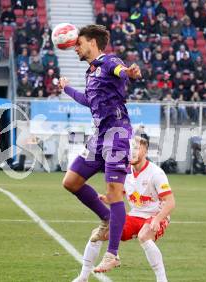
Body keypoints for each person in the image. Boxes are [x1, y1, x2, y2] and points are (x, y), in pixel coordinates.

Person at [59, 24, 142, 273]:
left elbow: (121, 71)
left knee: (114, 192)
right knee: (71, 181)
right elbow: (89, 100)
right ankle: (106, 218)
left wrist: (129, 71)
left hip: (117, 134)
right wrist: (66, 88)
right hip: (99, 137)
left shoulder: (108, 62)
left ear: (93, 43)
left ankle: (112, 254)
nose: (75, 48)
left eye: (79, 43)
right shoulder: (91, 71)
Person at [73, 136, 175, 282]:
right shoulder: (124, 172)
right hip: (134, 215)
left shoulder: (156, 173)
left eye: (136, 148)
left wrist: (158, 219)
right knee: (98, 233)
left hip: (156, 215)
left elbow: (170, 202)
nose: (131, 152)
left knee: (144, 236)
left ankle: (162, 279)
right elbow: (118, 197)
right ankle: (83, 277)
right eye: (129, 148)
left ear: (145, 151)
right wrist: (106, 199)